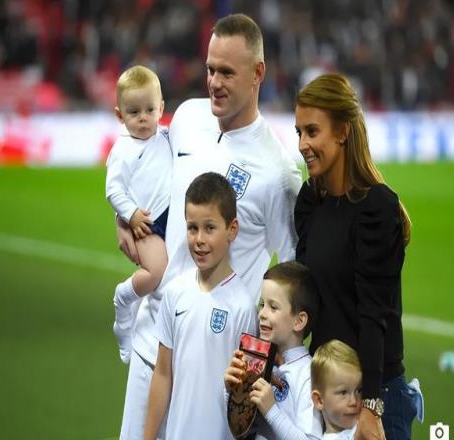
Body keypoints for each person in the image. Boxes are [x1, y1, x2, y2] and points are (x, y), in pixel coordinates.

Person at [116, 13, 302, 440]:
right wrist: (122, 216)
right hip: (153, 344)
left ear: (258, 74)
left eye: (227, 73)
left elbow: (292, 274)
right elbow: (149, 175)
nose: (214, 82)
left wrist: (269, 362)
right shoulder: (187, 118)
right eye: (210, 69)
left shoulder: (277, 174)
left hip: (216, 372)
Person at [294, 72, 423, 440]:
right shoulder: (310, 201)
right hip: (325, 398)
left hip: (373, 401)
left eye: (312, 131)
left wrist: (370, 405)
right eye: (298, 132)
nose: (302, 144)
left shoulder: (376, 207)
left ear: (342, 131)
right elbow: (306, 301)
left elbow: (373, 314)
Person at [143, 172, 258, 440]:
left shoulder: (243, 307)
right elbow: (162, 375)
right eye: (192, 228)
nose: (199, 239)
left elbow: (244, 397)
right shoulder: (175, 293)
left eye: (209, 228)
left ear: (232, 229)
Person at [105, 65, 171, 364]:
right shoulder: (123, 150)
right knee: (156, 273)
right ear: (120, 115)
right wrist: (130, 216)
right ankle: (124, 298)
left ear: (161, 109)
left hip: (174, 218)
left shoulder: (168, 137)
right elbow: (113, 190)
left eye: (149, 110)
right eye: (134, 112)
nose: (143, 118)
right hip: (147, 223)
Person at [224, 261, 323, 440]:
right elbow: (241, 432)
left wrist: (271, 411)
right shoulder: (257, 363)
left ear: (299, 321)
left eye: (273, 307)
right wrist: (232, 392)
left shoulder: (308, 374)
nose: (262, 313)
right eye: (262, 304)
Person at [310, 339, 363, 440]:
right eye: (343, 392)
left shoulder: (366, 426)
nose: (354, 401)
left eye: (359, 391)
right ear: (319, 400)